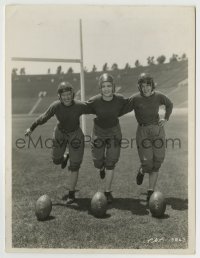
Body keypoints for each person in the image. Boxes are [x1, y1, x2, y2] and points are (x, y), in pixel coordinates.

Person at [25, 81, 93, 205]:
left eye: (69, 94)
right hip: (60, 133)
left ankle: (71, 194)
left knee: (75, 165)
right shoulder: (56, 106)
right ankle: (65, 156)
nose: (67, 97)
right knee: (56, 160)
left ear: (72, 94)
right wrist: (31, 128)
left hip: (75, 134)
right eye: (64, 95)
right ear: (59, 96)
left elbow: (94, 107)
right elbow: (43, 117)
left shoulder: (79, 105)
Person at [120, 73, 173, 203]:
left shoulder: (159, 96)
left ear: (152, 85)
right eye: (142, 86)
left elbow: (169, 104)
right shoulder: (136, 98)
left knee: (158, 161)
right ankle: (142, 170)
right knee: (147, 163)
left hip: (157, 130)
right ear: (139, 87)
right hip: (143, 131)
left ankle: (150, 192)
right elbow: (122, 109)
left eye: (148, 85)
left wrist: (166, 118)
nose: (145, 88)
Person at [87, 73, 128, 204]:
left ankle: (108, 191)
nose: (106, 89)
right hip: (99, 131)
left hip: (114, 131)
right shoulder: (95, 100)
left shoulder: (120, 99)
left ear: (113, 87)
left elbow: (133, 104)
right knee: (97, 162)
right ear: (100, 88)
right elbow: (80, 107)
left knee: (111, 162)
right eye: (103, 86)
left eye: (109, 86)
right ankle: (101, 167)